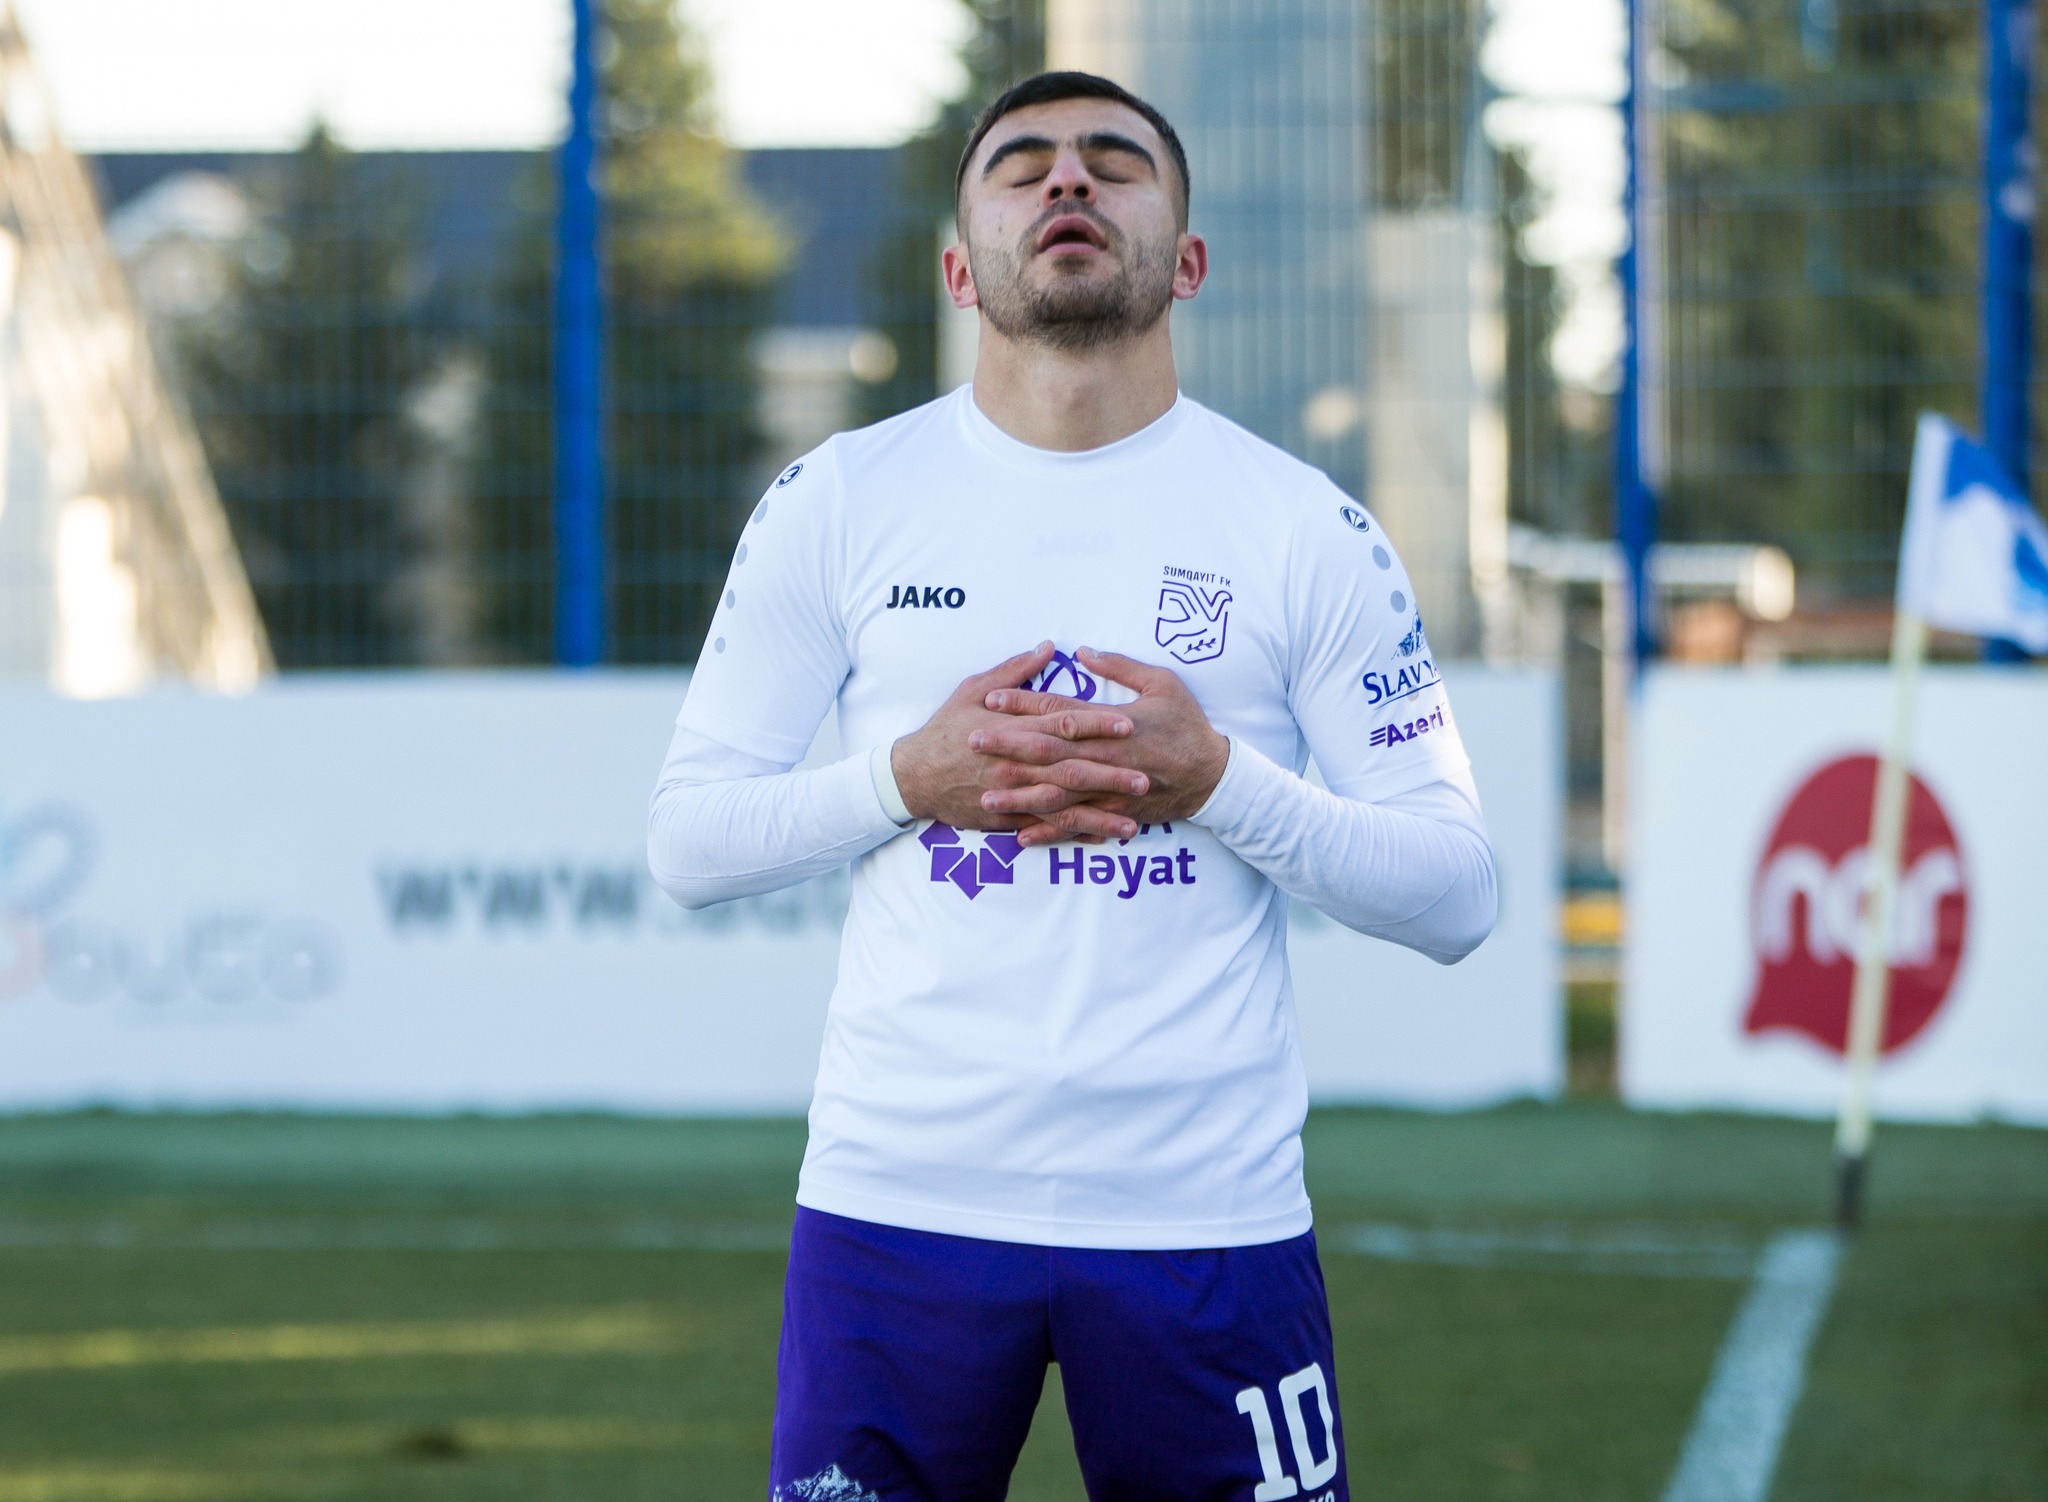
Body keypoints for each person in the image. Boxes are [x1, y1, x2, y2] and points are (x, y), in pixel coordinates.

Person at [648, 69, 1496, 1502]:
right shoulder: (839, 500)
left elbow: (1458, 894)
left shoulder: (1303, 528)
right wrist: (907, 778)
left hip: (1203, 1214)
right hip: (896, 1202)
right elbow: (688, 841)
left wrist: (1216, 779)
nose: (1067, 179)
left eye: (1115, 158)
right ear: (959, 268)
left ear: (1190, 259)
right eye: (1022, 162)